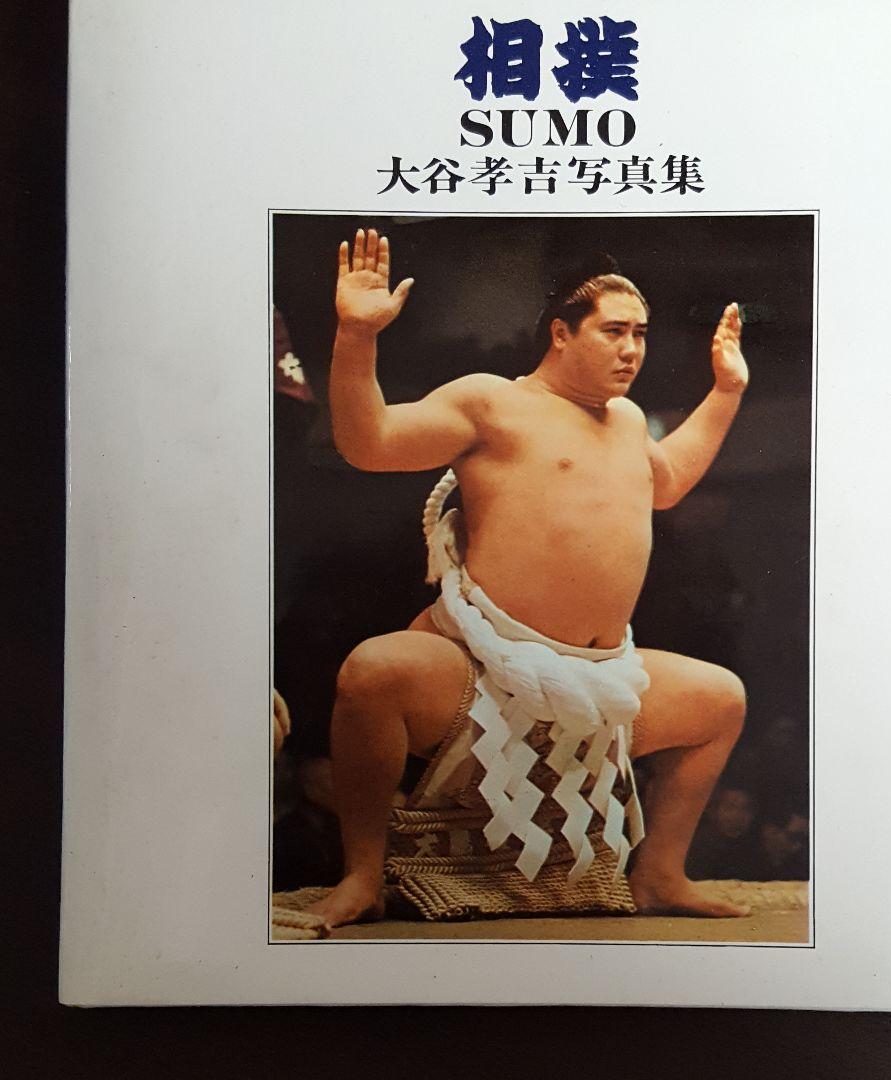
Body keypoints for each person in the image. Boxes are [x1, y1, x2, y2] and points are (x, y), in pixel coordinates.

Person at [308, 226, 751, 927]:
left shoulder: (628, 421)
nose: (631, 349)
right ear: (561, 333)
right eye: (613, 331)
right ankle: (361, 875)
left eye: (639, 334)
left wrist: (726, 391)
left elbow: (666, 483)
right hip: (480, 673)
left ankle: (661, 872)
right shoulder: (493, 402)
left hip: (601, 685)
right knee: (374, 671)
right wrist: (356, 337)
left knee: (720, 700)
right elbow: (371, 444)